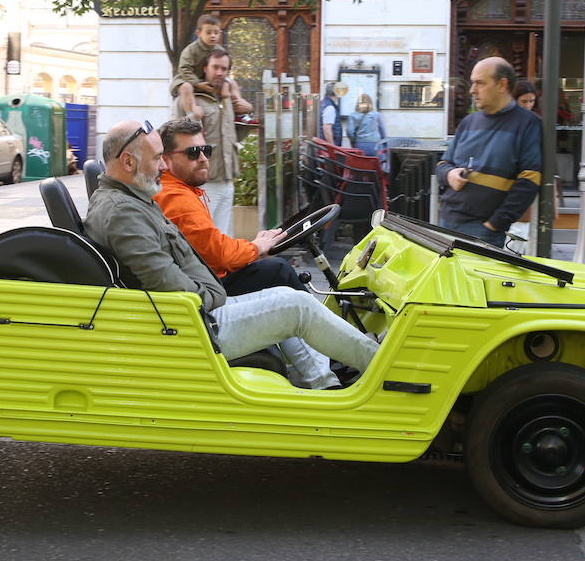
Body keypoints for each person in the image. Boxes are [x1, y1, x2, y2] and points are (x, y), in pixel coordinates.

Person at [83, 119, 379, 390]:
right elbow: (171, 287)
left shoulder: (131, 200)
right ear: (128, 161)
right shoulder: (123, 212)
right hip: (195, 326)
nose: (163, 166)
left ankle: (325, 384)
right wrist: (213, 293)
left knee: (285, 294)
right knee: (296, 305)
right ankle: (386, 367)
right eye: (157, 158)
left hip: (192, 315)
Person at [154, 118, 305, 297]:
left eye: (206, 150)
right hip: (207, 289)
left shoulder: (175, 190)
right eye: (193, 153)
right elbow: (221, 256)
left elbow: (213, 245)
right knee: (278, 270)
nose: (203, 159)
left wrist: (253, 248)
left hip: (200, 281)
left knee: (272, 269)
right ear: (166, 159)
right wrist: (256, 248)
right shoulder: (177, 198)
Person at [433, 57, 542, 248]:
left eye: (480, 83)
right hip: (447, 222)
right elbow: (442, 164)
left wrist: (495, 224)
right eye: (472, 82)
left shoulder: (528, 123)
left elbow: (529, 180)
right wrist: (450, 174)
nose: (472, 90)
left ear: (502, 84)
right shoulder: (468, 122)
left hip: (484, 231)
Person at [176, 47, 251, 236]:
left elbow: (232, 135)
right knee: (203, 236)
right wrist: (193, 116)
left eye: (224, 69)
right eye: (215, 67)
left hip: (226, 179)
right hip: (203, 182)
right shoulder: (191, 97)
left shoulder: (226, 99)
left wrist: (248, 116)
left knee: (224, 235)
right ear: (205, 68)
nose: (219, 72)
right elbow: (175, 136)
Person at [169, 14, 224, 120]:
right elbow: (184, 69)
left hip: (207, 83)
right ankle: (191, 114)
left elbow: (225, 66)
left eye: (216, 33)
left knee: (230, 84)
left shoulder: (220, 51)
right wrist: (198, 83)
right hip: (188, 80)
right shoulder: (191, 50)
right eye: (208, 32)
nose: (213, 36)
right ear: (198, 33)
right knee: (186, 87)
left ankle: (238, 110)